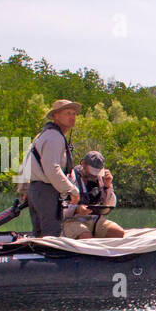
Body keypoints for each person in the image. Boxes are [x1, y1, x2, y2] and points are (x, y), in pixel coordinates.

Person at [20, 100, 82, 237]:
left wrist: (24, 189)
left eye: (74, 114)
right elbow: (52, 169)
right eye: (67, 113)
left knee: (40, 235)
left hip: (36, 190)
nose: (72, 117)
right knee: (51, 235)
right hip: (46, 191)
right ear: (56, 116)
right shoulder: (54, 137)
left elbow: (25, 163)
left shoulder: (43, 135)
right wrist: (72, 190)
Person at [62, 150, 125, 239]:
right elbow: (60, 208)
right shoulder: (70, 178)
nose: (94, 176)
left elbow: (111, 205)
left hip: (95, 220)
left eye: (97, 172)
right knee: (86, 237)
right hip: (73, 220)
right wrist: (76, 210)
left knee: (118, 233)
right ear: (83, 163)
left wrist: (108, 187)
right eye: (91, 172)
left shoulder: (102, 178)